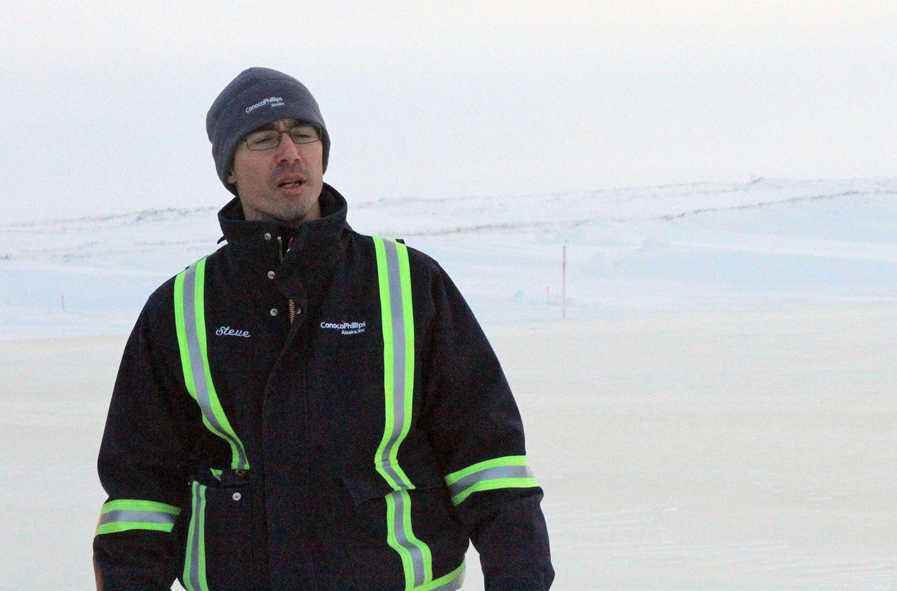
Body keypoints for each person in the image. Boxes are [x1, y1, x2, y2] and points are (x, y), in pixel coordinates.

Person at [93, 67, 554, 591]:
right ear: (228, 170)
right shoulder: (178, 309)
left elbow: (490, 463)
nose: (289, 152)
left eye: (303, 134)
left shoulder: (409, 284)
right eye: (264, 138)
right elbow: (140, 498)